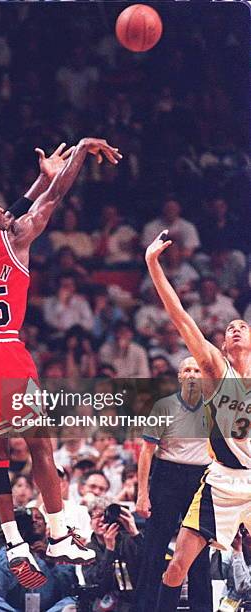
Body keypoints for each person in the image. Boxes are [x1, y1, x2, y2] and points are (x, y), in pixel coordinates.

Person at [0, 138, 122, 587]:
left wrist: (37, 179)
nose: (8, 210)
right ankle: (61, 533)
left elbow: (0, 214)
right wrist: (80, 152)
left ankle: (14, 541)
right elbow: (54, 198)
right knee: (41, 445)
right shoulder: (18, 237)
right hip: (4, 350)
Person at [145, 230, 251, 612]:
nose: (235, 328)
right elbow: (180, 317)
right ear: (223, 345)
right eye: (229, 329)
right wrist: (152, 265)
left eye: (242, 326)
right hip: (221, 480)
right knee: (176, 568)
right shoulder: (215, 368)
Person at [135, 357, 212, 612]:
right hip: (166, 475)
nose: (192, 374)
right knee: (154, 547)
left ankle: (202, 608)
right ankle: (146, 608)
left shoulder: (215, 408)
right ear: (180, 377)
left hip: (201, 479)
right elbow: (146, 452)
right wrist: (142, 494)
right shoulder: (163, 406)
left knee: (199, 550)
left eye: (197, 369)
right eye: (187, 369)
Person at [0, 508, 77, 612]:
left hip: (50, 609)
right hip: (16, 609)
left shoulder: (58, 548)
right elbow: (4, 583)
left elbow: (68, 586)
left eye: (38, 518)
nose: (34, 521)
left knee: (72, 602)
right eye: (29, 520)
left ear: (46, 525)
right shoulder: (9, 549)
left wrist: (51, 562)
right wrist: (16, 553)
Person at [83, 499, 144, 612]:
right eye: (98, 516)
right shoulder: (87, 550)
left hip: (135, 601)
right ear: (90, 523)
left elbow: (149, 566)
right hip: (104, 604)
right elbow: (97, 586)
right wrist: (109, 550)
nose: (102, 520)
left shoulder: (128, 540)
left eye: (106, 516)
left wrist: (135, 533)